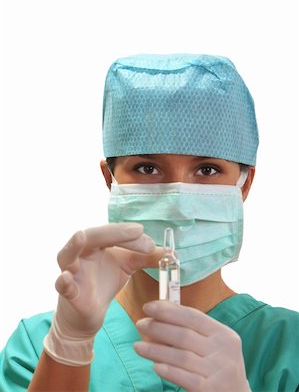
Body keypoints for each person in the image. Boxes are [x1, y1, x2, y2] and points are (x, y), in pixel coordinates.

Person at [1, 54, 298, 392]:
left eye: (207, 170)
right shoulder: (38, 347)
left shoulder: (290, 348)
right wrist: (69, 346)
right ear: (110, 178)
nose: (177, 201)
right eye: (147, 168)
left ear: (243, 184)